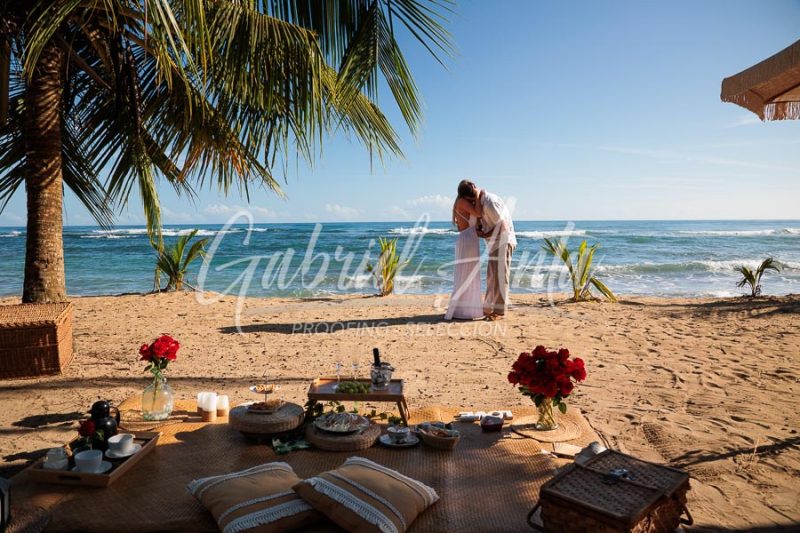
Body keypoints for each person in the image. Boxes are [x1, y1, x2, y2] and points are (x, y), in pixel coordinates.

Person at [457, 180, 516, 320]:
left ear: (469, 198)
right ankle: (489, 308)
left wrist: (485, 234)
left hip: (503, 241)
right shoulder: (482, 202)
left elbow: (504, 226)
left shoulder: (490, 202)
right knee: (492, 277)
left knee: (500, 277)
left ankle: (499, 312)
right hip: (495, 243)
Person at [444, 188, 485, 320]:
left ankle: (466, 309)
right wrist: (479, 195)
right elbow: (478, 213)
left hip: (470, 239)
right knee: (466, 274)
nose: (475, 190)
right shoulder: (461, 201)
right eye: (472, 188)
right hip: (468, 239)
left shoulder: (463, 202)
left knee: (469, 274)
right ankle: (463, 310)